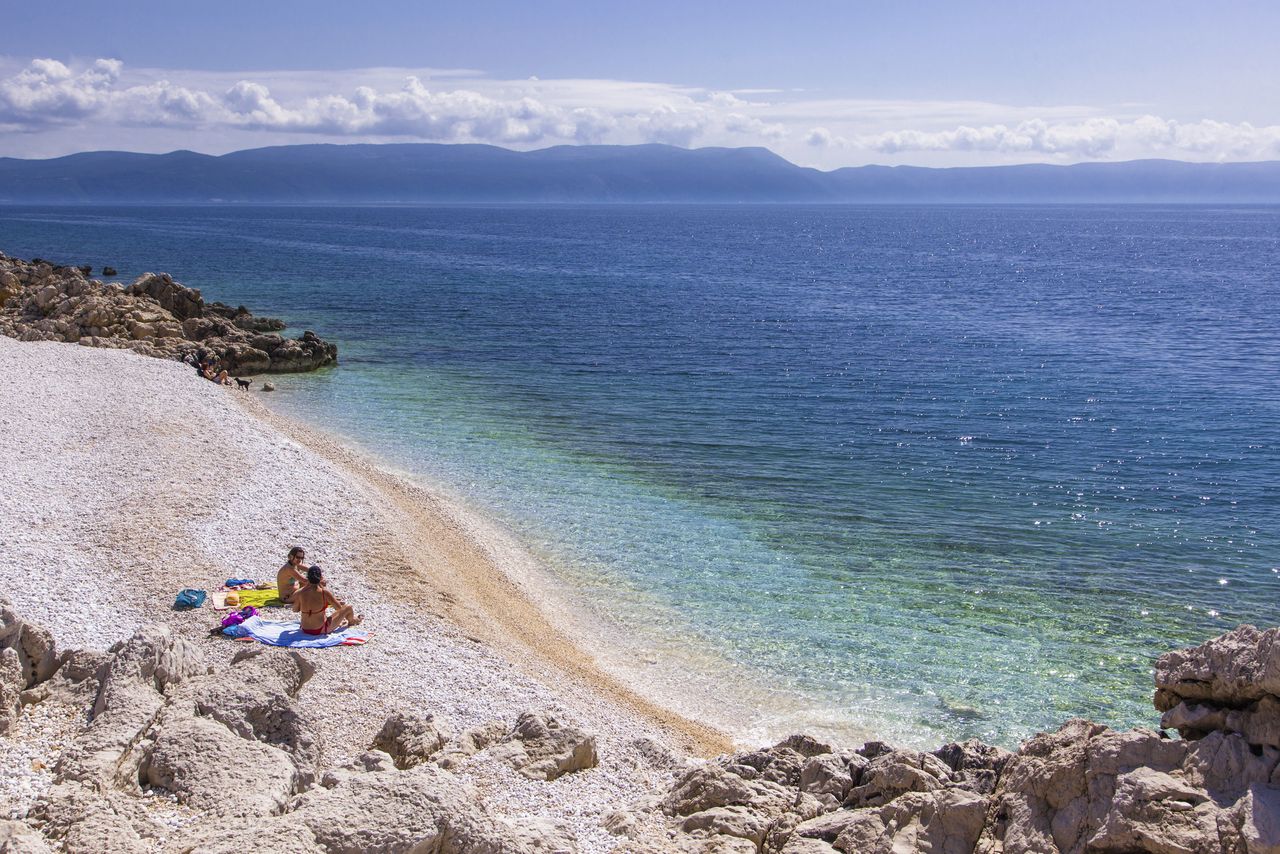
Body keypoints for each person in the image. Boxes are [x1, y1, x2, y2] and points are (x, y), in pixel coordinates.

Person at [292, 565, 361, 635]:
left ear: (308, 577)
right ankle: (353, 621)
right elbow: (338, 608)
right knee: (348, 607)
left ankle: (346, 621)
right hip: (319, 629)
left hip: (305, 628)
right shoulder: (323, 592)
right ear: (320, 578)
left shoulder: (300, 592)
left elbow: (295, 610)